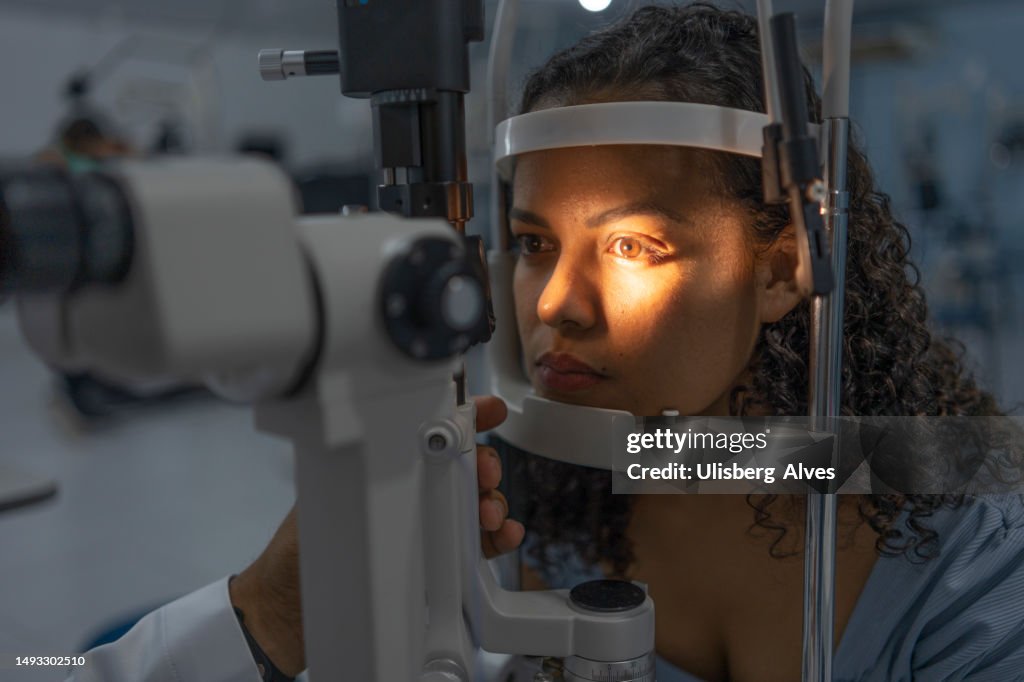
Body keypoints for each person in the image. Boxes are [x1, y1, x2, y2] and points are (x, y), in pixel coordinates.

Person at [69, 4, 1024, 681]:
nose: (555, 304)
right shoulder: (520, 528)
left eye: (630, 245)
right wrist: (290, 607)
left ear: (782, 268)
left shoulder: (976, 576)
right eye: (533, 244)